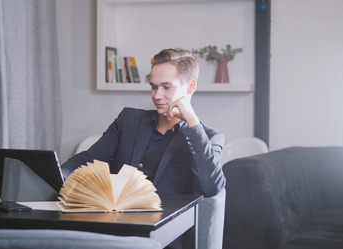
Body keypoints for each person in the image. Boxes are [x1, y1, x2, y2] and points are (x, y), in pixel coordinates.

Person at [61, 48, 225, 198]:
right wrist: (58, 175)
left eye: (167, 87)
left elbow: (211, 188)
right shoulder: (128, 120)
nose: (157, 95)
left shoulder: (209, 138)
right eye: (154, 87)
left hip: (165, 224)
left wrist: (192, 121)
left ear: (190, 87)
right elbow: (90, 159)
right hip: (115, 217)